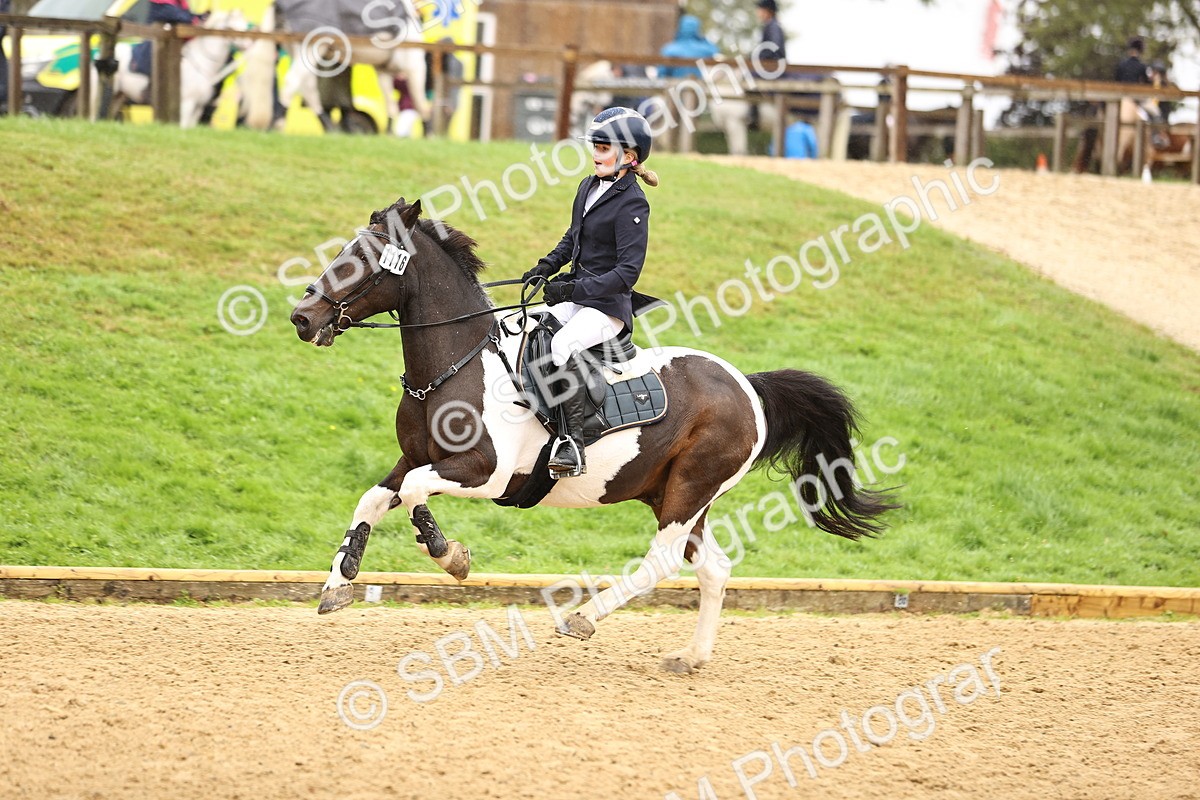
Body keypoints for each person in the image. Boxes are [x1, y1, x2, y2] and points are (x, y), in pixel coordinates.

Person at [522, 107, 659, 478]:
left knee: (563, 344)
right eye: (595, 146)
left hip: (608, 307)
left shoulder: (633, 203)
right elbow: (573, 238)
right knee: (531, 328)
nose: (596, 153)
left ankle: (573, 444)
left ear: (629, 157)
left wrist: (573, 287)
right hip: (579, 298)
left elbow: (627, 273)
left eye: (604, 147)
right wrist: (547, 266)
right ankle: (539, 414)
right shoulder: (587, 186)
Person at [131, 0, 205, 79]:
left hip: (174, 41)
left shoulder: (179, 2)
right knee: (153, 59)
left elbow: (186, 13)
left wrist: (201, 16)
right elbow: (174, 13)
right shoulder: (161, 4)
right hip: (157, 41)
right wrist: (194, 19)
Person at [660, 15, 718, 79]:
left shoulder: (669, 49)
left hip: (674, 86)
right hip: (697, 86)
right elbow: (715, 50)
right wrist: (702, 39)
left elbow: (661, 73)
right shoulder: (705, 49)